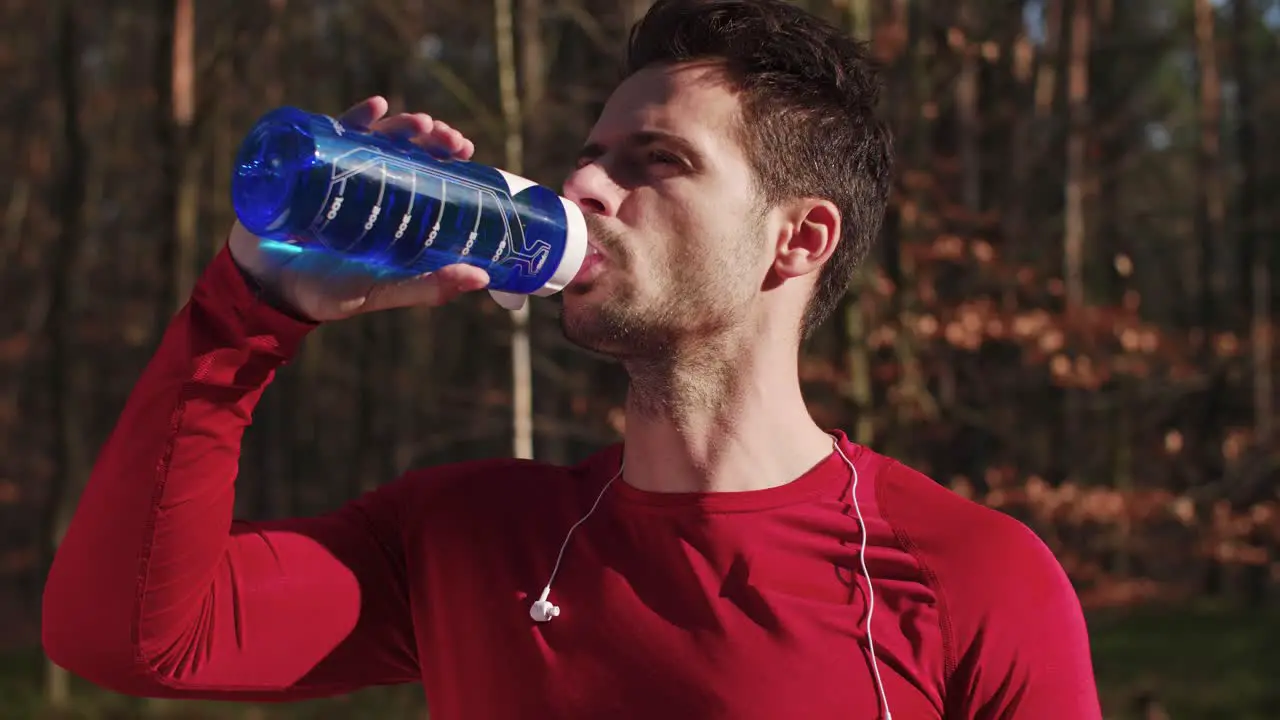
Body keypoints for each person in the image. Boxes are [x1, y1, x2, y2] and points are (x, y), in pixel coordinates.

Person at [42, 1, 1103, 718]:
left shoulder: (971, 579)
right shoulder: (467, 540)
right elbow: (125, 638)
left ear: (798, 238)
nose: (584, 190)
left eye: (658, 163)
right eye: (591, 158)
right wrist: (249, 311)